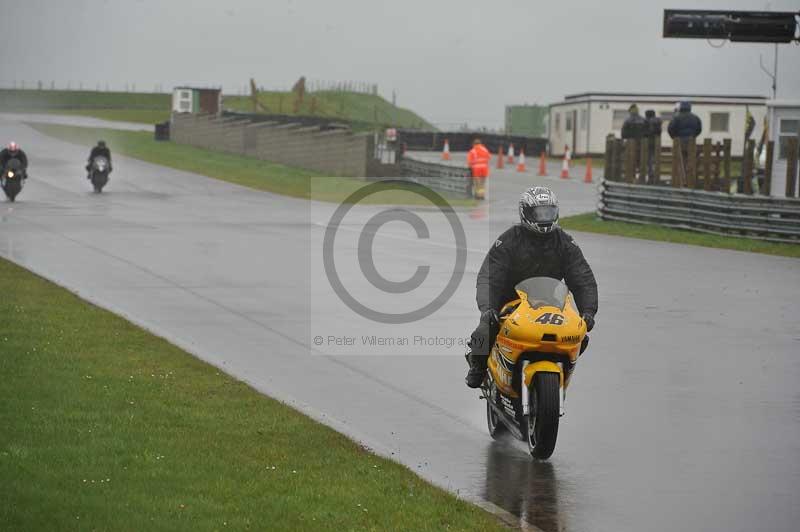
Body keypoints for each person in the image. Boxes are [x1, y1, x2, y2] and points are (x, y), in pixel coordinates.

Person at [465, 186, 598, 388]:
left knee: (581, 336)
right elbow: (490, 276)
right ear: (526, 213)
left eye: (549, 212)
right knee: (483, 331)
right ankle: (478, 366)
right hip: (510, 301)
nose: (545, 217)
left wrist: (588, 311)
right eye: (539, 212)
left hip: (550, 303)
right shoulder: (509, 240)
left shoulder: (565, 242)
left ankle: (560, 373)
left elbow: (582, 277)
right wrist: (487, 308)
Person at [667, 102, 702, 183]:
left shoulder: (676, 117)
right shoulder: (695, 118)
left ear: (681, 108)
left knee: (679, 160)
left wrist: (675, 138)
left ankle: (680, 179)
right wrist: (693, 136)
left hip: (679, 142)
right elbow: (699, 129)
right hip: (691, 142)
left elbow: (670, 129)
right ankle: (690, 179)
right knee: (691, 161)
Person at [644, 110, 663, 181]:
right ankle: (656, 175)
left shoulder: (646, 121)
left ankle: (650, 175)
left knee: (649, 160)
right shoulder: (658, 121)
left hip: (648, 142)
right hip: (657, 142)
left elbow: (645, 132)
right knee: (655, 159)